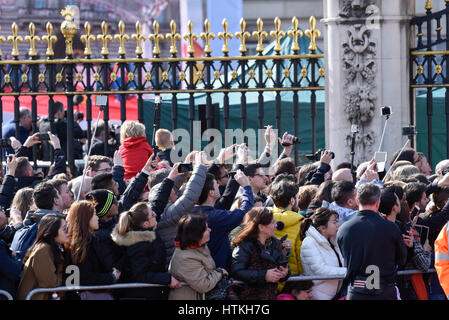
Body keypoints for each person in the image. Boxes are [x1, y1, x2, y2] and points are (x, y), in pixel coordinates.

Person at [336, 183, 407, 300]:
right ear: (378, 202)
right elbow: (401, 259)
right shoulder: (391, 228)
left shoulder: (344, 229)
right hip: (385, 291)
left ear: (357, 201)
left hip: (357, 291)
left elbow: (345, 257)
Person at [111, 202, 181, 300]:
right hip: (139, 295)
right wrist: (167, 279)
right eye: (152, 214)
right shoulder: (138, 242)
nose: (155, 214)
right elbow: (140, 274)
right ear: (146, 224)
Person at [231, 207, 290, 300]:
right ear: (261, 227)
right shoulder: (244, 245)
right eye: (272, 222)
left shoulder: (276, 243)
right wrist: (264, 275)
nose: (275, 226)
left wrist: (285, 273)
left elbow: (283, 264)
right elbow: (237, 272)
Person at [67, 200, 121, 296]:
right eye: (95, 214)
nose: (97, 218)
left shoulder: (87, 240)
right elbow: (85, 278)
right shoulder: (80, 245)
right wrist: (111, 276)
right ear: (86, 218)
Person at [168, 214, 227, 300]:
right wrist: (220, 272)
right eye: (206, 229)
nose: (210, 230)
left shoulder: (200, 247)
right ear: (196, 234)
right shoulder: (185, 258)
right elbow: (204, 285)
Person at [16, 214, 69, 300]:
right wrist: (63, 277)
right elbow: (50, 283)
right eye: (65, 229)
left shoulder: (54, 248)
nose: (68, 232)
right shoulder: (43, 250)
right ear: (52, 231)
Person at [299, 207, 346, 300]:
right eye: (334, 222)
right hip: (319, 296)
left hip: (336, 294)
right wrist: (347, 271)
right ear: (322, 228)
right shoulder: (309, 242)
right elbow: (320, 270)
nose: (338, 224)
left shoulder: (332, 241)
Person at [268, 174, 304, 275]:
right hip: (292, 276)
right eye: (298, 197)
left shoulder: (263, 219)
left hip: (269, 275)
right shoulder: (300, 222)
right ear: (292, 201)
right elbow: (301, 254)